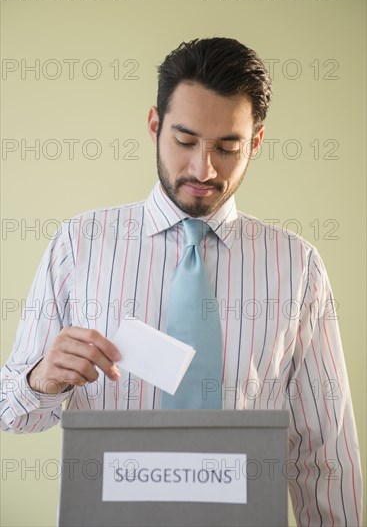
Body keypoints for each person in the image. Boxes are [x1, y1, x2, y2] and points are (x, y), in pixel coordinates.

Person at [1, 37, 362, 525]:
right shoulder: (79, 243)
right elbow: (13, 413)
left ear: (255, 141)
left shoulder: (297, 266)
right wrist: (41, 378)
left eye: (227, 147)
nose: (203, 168)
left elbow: (325, 452)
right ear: (155, 125)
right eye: (185, 140)